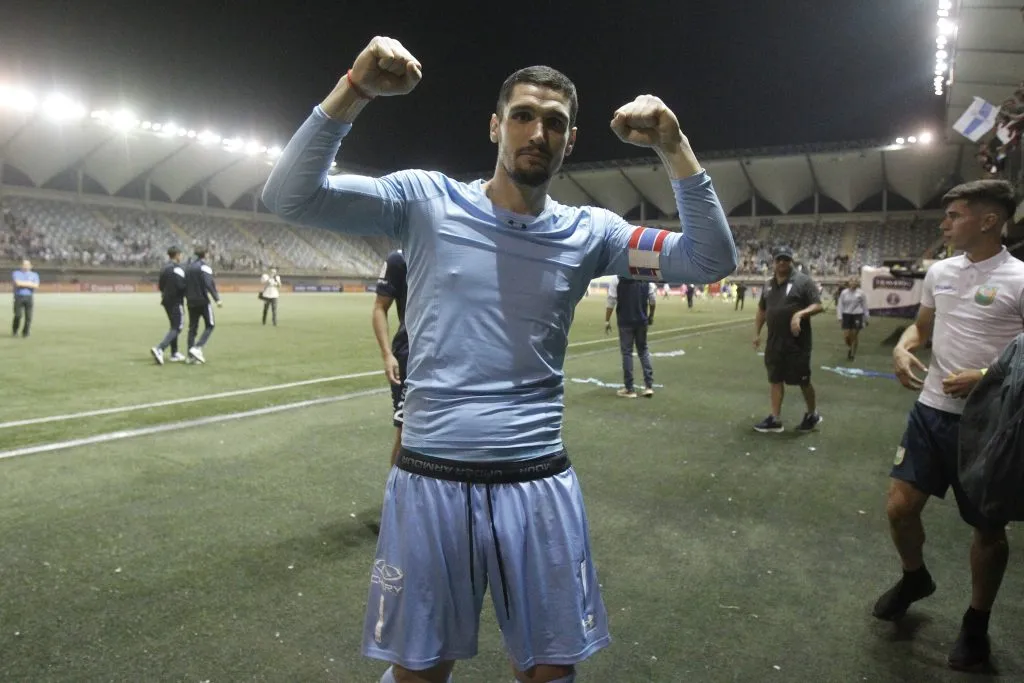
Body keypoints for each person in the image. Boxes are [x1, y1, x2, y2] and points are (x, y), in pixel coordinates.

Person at [262, 36, 737, 683]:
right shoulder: (425, 202)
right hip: (431, 479)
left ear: (569, 141)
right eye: (522, 115)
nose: (537, 131)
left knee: (550, 673)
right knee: (421, 673)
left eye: (555, 122)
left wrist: (672, 146)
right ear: (495, 125)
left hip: (536, 483)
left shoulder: (589, 234)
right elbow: (289, 196)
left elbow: (710, 260)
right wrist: (356, 87)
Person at [875, 179, 1024, 672]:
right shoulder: (940, 271)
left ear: (989, 221)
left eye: (955, 215)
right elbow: (922, 325)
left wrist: (985, 377)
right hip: (931, 409)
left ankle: (976, 623)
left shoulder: (1019, 279)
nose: (944, 223)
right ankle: (914, 577)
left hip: (990, 425)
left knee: (987, 528)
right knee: (900, 507)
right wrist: (903, 345)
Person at [752, 247, 824, 433]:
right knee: (775, 378)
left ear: (792, 261)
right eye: (779, 259)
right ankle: (775, 419)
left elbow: (818, 305)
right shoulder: (768, 285)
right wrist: (757, 333)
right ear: (773, 261)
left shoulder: (803, 281)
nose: (782, 262)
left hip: (797, 342)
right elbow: (762, 310)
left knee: (803, 380)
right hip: (774, 341)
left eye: (786, 259)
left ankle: (812, 413)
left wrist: (800, 314)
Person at [372, 250, 409, 465]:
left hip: (449, 355)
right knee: (406, 432)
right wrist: (387, 355)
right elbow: (379, 307)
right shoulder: (399, 258)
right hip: (409, 356)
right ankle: (396, 497)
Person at [604, 275, 656, 398]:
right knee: (643, 351)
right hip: (641, 321)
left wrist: (607, 320)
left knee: (627, 353)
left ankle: (630, 389)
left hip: (625, 321)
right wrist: (651, 316)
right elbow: (652, 300)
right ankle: (648, 386)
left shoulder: (618, 279)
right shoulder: (646, 278)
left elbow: (611, 301)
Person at [184, 247, 222, 364]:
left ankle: (190, 356)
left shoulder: (188, 267)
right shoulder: (204, 267)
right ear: (205, 255)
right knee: (210, 325)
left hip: (190, 301)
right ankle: (197, 347)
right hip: (202, 301)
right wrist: (217, 299)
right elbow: (208, 283)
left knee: (192, 328)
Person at [151, 247, 187, 364]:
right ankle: (160, 348)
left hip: (166, 300)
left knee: (173, 326)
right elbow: (182, 286)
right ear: (176, 255)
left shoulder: (164, 268)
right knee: (178, 327)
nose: (181, 257)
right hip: (176, 300)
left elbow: (160, 286)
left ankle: (174, 353)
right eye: (180, 254)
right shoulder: (178, 269)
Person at [836, 277, 869, 361]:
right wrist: (839, 316)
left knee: (854, 335)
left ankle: (852, 353)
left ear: (857, 283)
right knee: (847, 336)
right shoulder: (844, 293)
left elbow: (864, 306)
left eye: (855, 281)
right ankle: (850, 347)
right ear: (849, 283)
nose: (853, 283)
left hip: (857, 315)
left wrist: (866, 318)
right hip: (846, 315)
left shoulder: (861, 293)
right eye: (852, 281)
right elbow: (840, 305)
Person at [11, 259, 38, 338]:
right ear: (21, 266)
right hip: (19, 296)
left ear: (30, 266)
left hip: (29, 297)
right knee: (18, 315)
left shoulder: (34, 274)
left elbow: (36, 285)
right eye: (24, 264)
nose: (26, 266)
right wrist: (30, 283)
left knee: (28, 317)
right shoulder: (16, 273)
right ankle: (15, 330)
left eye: (28, 265)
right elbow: (18, 283)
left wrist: (24, 283)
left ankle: (25, 333)